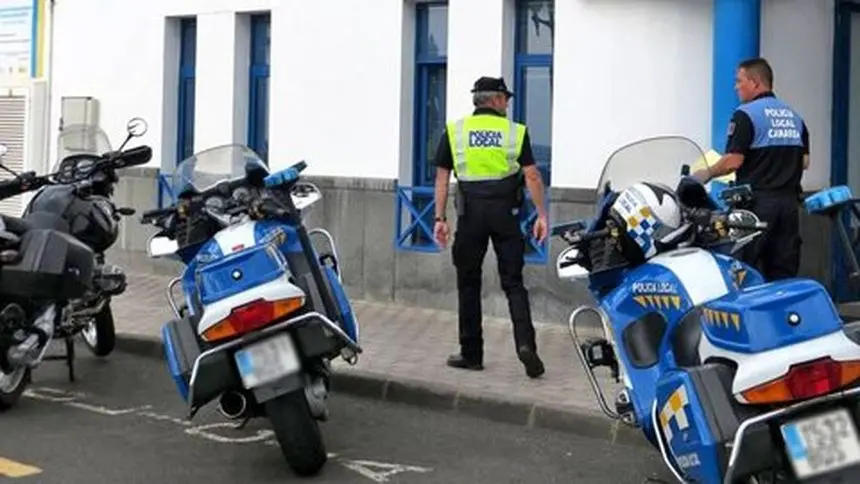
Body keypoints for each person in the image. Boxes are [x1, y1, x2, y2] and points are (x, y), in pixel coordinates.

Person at [431, 76, 548, 379]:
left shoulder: (455, 131)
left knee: (468, 283)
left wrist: (439, 219)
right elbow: (532, 176)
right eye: (505, 98)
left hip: (470, 216)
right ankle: (526, 344)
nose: (508, 103)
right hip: (505, 214)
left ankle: (471, 354)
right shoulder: (514, 132)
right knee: (513, 282)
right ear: (495, 99)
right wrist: (542, 215)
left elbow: (442, 177)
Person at [692, 57, 810, 281]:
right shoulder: (795, 117)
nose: (736, 87)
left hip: (755, 207)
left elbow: (733, 161)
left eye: (739, 81)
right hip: (789, 207)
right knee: (783, 274)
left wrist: (704, 174)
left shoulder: (746, 114)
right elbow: (804, 162)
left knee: (743, 272)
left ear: (755, 83)